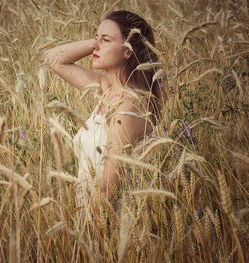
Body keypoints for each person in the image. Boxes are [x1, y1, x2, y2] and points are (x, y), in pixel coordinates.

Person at [44, 10, 163, 219]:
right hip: (89, 217)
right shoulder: (104, 88)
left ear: (127, 51)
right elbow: (53, 59)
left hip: (109, 225)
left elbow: (109, 188)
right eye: (95, 37)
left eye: (106, 40)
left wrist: (91, 237)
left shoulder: (128, 108)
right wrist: (97, 42)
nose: (96, 46)